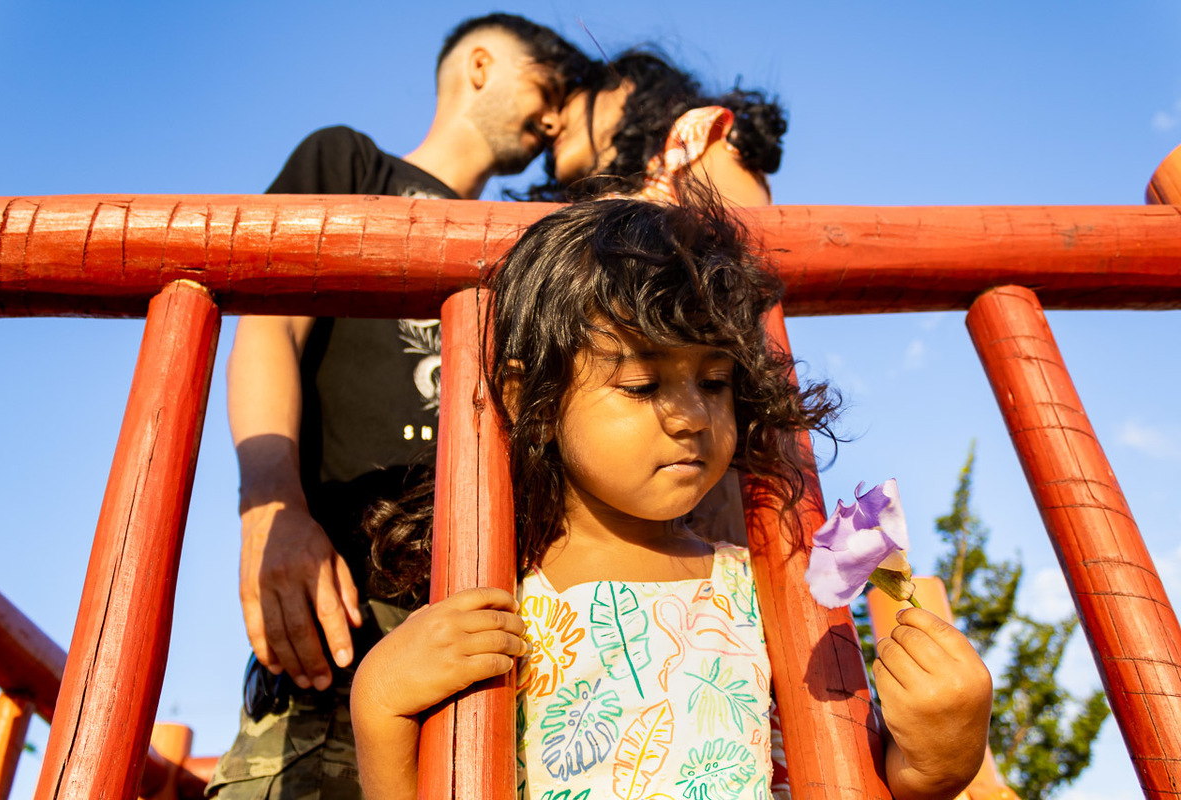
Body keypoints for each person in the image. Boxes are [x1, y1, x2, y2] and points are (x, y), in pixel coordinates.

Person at [350, 198, 994, 800]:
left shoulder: (766, 591)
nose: (692, 416)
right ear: (533, 405)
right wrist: (380, 703)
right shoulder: (502, 596)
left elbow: (846, 769)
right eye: (642, 384)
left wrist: (940, 756)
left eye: (714, 382)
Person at [210, 13, 589, 798]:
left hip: (498, 620)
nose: (555, 120)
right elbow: (270, 331)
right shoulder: (351, 163)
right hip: (347, 607)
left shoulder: (531, 240)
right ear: (480, 65)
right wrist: (271, 508)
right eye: (548, 87)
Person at [527, 49, 787, 207]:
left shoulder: (693, 136)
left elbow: (745, 250)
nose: (550, 124)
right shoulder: (570, 205)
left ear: (623, 87)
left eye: (563, 103)